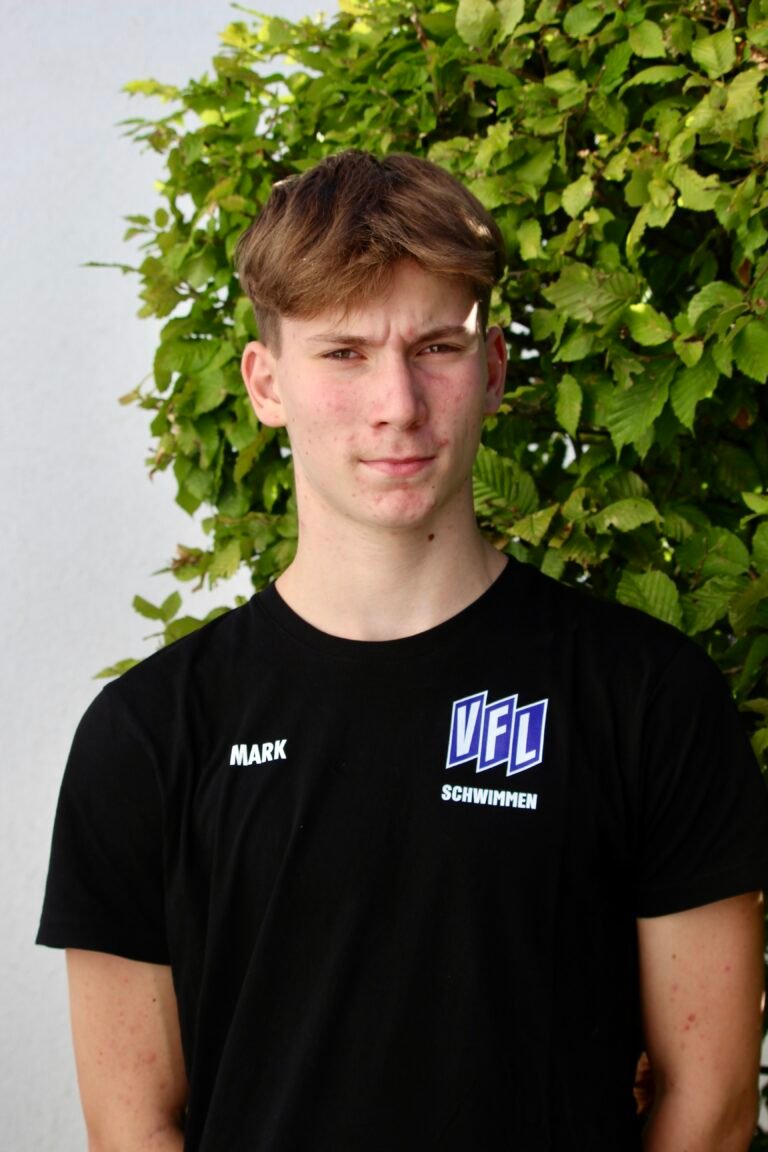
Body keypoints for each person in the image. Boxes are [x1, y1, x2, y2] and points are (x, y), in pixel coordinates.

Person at [38, 150, 768, 1152]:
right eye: (343, 353)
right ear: (265, 383)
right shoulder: (149, 732)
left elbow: (711, 1105)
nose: (398, 403)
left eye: (435, 347)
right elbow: (133, 1127)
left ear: (494, 367)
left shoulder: (647, 696)